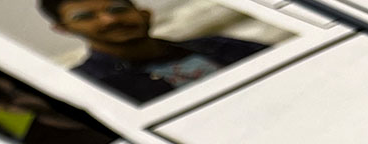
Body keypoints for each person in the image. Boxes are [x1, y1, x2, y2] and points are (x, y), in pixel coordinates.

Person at [39, 0, 269, 103]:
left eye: (118, 9)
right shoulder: (85, 86)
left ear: (144, 13)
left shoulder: (218, 45)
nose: (110, 20)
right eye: (85, 17)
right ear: (63, 29)